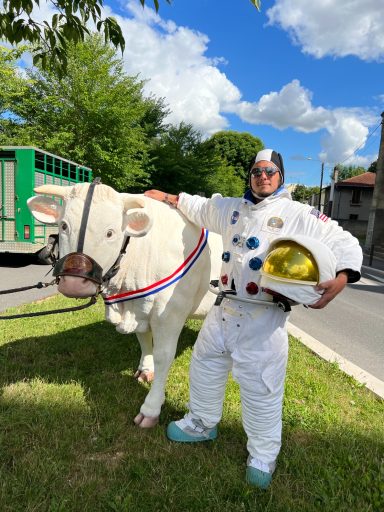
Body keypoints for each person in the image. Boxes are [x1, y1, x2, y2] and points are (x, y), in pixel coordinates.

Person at [144, 149, 363, 489]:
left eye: (270, 171)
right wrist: (170, 197)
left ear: (281, 177)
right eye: (257, 170)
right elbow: (199, 207)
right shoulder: (231, 207)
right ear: (250, 175)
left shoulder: (298, 213)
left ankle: (262, 454)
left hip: (264, 317)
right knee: (204, 367)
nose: (263, 176)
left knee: (261, 387)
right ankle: (201, 423)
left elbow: (342, 239)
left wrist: (344, 274)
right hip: (223, 308)